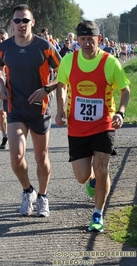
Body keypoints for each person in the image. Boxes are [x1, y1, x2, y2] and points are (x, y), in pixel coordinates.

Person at [55, 20, 130, 232]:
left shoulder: (110, 62)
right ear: (77, 40)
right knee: (81, 176)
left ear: (99, 39)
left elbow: (125, 90)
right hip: (77, 127)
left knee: (102, 167)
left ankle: (97, 214)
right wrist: (60, 109)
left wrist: (121, 112)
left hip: (104, 123)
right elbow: (61, 86)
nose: (87, 43)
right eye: (83, 39)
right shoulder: (69, 60)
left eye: (91, 39)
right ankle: (92, 182)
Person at [0, 4, 61, 217]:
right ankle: (27, 190)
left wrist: (46, 89)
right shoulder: (3, 47)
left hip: (39, 109)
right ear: (12, 24)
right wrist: (1, 84)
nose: (21, 24)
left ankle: (43, 196)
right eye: (17, 20)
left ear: (33, 22)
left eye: (25, 20)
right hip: (15, 108)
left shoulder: (45, 46)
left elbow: (62, 72)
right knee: (16, 156)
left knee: (41, 157)